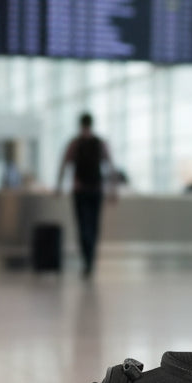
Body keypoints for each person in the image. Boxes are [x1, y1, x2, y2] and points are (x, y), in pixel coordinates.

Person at [56, 113, 116, 277]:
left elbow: (64, 164)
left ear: (80, 124)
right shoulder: (100, 143)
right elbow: (110, 166)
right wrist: (113, 190)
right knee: (94, 226)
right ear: (92, 124)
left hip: (80, 190)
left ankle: (87, 260)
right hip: (96, 190)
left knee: (82, 226)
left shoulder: (74, 143)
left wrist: (59, 186)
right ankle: (91, 259)